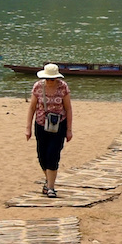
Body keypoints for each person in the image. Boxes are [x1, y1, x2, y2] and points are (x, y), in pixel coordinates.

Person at [26, 63, 74, 198]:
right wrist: (28, 128)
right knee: (42, 156)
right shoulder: (37, 87)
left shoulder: (63, 87)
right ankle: (48, 181)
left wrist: (69, 130)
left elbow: (68, 108)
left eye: (52, 79)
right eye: (47, 79)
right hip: (41, 124)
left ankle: (51, 187)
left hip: (59, 125)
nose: (50, 81)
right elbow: (32, 108)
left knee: (53, 155)